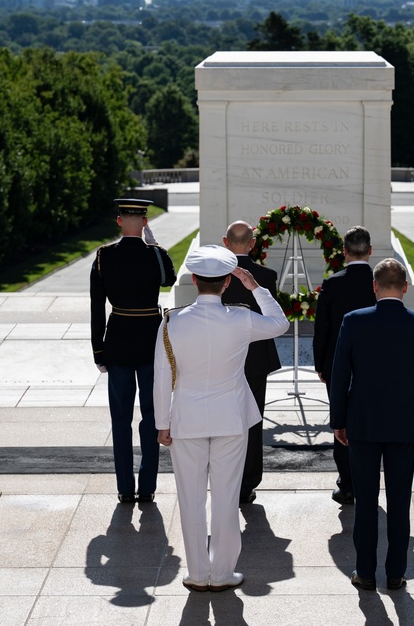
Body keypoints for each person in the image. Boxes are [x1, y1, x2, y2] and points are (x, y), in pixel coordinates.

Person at [153, 245, 289, 592]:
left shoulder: (172, 321)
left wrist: (162, 423)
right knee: (227, 498)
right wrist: (256, 286)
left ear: (195, 280)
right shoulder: (241, 318)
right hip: (230, 418)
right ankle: (223, 573)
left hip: (186, 420)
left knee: (191, 499)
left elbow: (161, 376)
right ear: (228, 282)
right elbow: (280, 323)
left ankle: (198, 573)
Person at [329, 258, 414, 591]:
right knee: (400, 502)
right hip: (403, 419)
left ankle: (365, 572)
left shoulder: (354, 322)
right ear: (404, 287)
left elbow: (340, 375)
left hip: (363, 419)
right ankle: (396, 573)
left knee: (365, 500)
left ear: (374, 286)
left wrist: (338, 420)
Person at [90, 198, 177, 504]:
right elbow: (170, 279)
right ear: (144, 221)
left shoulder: (103, 256)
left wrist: (98, 350)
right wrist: (155, 245)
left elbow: (97, 309)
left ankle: (125, 488)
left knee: (120, 418)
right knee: (153, 416)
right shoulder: (154, 255)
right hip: (150, 340)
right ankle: (148, 487)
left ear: (118, 221)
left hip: (117, 341)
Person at [312, 226, 376, 506]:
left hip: (339, 365)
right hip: (374, 365)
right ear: (370, 251)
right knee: (370, 420)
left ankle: (347, 484)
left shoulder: (333, 284)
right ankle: (367, 480)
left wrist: (321, 365)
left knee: (342, 419)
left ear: (344, 252)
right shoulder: (381, 282)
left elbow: (322, 330)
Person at [221, 220, 282, 506]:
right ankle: (248, 483)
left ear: (225, 242)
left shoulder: (215, 274)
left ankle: (227, 479)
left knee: (225, 420)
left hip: (223, 358)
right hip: (256, 359)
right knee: (253, 422)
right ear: (253, 244)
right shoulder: (267, 275)